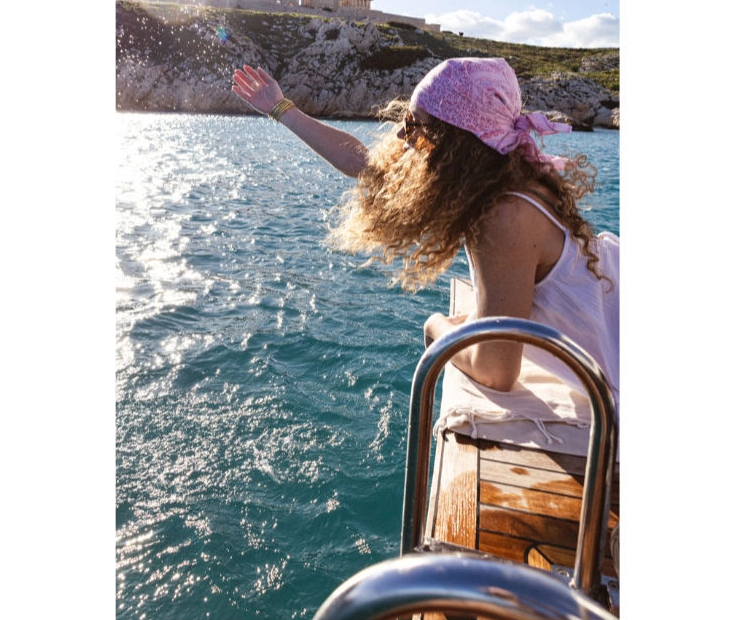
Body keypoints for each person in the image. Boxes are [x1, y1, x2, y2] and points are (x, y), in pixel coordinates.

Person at [231, 57, 618, 405]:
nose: (403, 136)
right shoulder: (505, 175)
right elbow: (365, 163)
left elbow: (498, 372)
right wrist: (282, 109)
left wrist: (436, 326)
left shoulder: (504, 216)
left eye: (416, 125)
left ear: (458, 142)